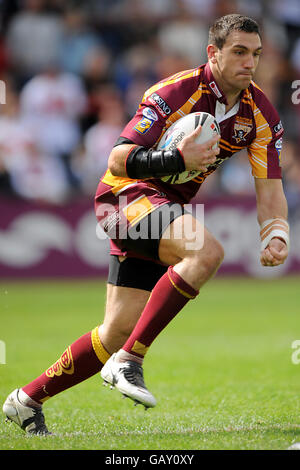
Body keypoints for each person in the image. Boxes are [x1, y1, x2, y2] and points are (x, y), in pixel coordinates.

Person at [3, 14, 289, 434]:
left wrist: (276, 233)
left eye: (257, 54)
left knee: (115, 329)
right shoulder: (175, 91)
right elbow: (117, 158)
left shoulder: (260, 113)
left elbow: (270, 191)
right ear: (214, 53)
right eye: (240, 52)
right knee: (205, 251)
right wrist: (176, 160)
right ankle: (130, 361)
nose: (250, 62)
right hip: (124, 196)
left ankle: (26, 400)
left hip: (164, 205)